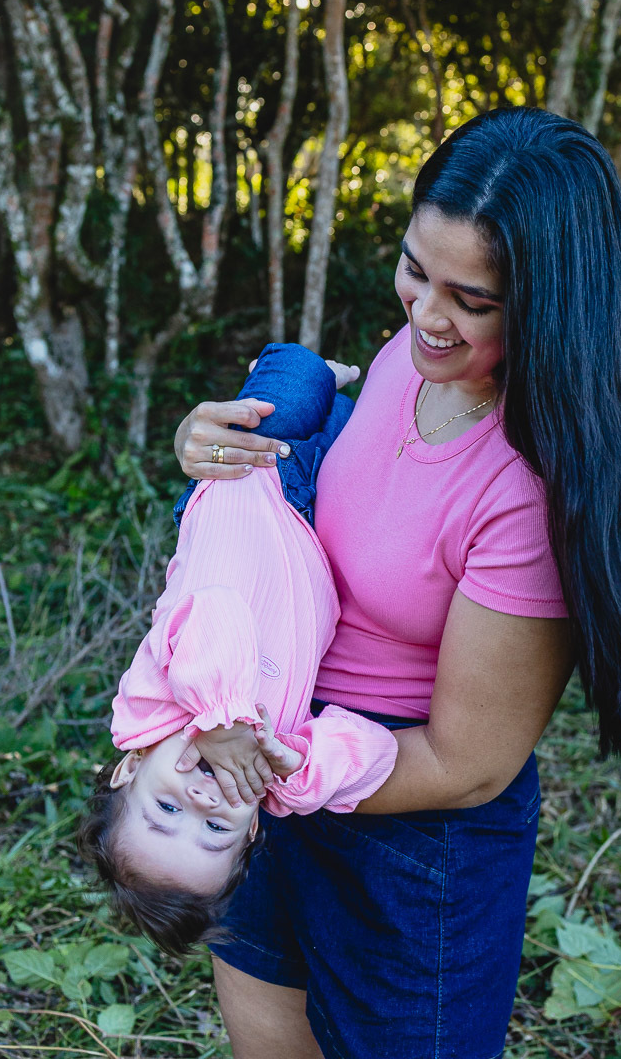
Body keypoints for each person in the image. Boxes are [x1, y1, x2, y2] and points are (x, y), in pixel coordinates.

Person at [173, 107, 621, 1059]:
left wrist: (274, 768)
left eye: (471, 300)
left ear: (547, 302)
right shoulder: (414, 355)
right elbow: (360, 490)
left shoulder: (528, 494)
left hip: (406, 845)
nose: (425, 316)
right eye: (414, 269)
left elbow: (466, 761)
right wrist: (218, 447)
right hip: (285, 763)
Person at [77, 346, 398, 956]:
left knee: (293, 392)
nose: (200, 801)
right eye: (215, 830)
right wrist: (302, 773)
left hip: (247, 484)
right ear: (252, 827)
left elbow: (215, 612)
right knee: (375, 433)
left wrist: (223, 720)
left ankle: (315, 370)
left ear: (128, 770)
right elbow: (374, 748)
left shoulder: (152, 709)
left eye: (165, 809)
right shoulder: (270, 771)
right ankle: (355, 398)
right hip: (310, 518)